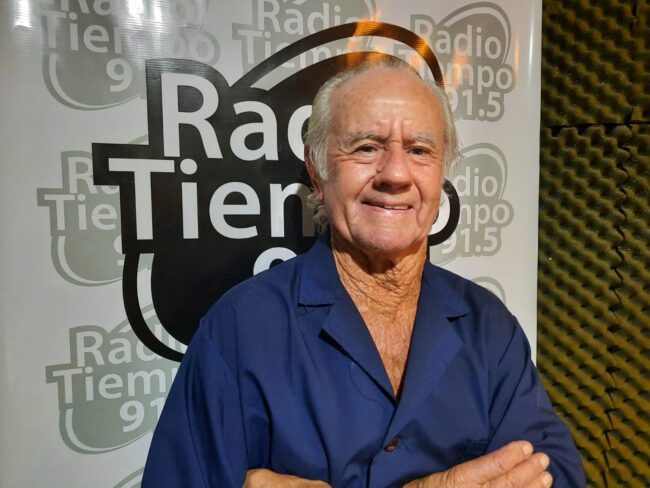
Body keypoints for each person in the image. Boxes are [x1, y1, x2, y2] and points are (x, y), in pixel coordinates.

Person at [142, 59, 585, 487]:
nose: (395, 174)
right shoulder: (240, 329)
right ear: (317, 173)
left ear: (441, 174)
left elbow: (556, 474)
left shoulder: (488, 326)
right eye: (366, 147)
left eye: (419, 150)